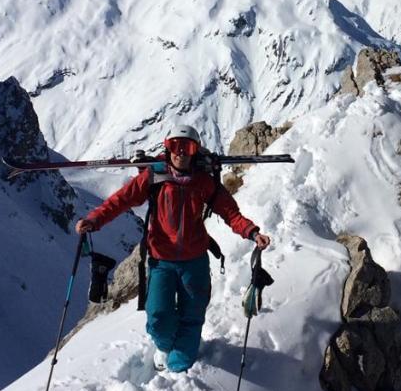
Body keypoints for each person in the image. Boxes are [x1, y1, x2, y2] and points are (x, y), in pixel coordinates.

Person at [75, 124, 271, 373]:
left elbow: (230, 213)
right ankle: (165, 347)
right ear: (167, 149)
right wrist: (94, 220)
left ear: (195, 151)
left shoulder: (203, 183)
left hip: (195, 262)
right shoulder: (153, 178)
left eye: (187, 147)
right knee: (158, 316)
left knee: (192, 316)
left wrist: (252, 232)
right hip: (161, 261)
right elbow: (120, 201)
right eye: (175, 147)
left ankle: (181, 368)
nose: (180, 153)